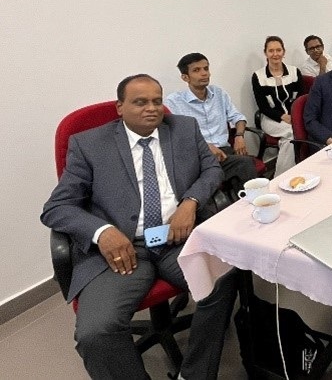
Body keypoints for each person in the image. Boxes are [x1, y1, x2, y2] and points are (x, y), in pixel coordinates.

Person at [41, 75, 237, 380]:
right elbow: (57, 208)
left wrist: (190, 202)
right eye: (140, 102)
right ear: (120, 107)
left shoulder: (184, 129)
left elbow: (211, 168)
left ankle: (195, 374)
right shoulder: (89, 144)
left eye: (157, 101)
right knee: (96, 331)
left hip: (177, 238)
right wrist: (102, 232)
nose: (152, 109)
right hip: (122, 252)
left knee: (226, 278)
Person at [165, 53, 257, 194]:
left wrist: (239, 136)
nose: (204, 74)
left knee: (243, 164)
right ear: (185, 77)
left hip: (224, 153)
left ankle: (247, 202)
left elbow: (238, 117)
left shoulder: (219, 93)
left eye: (206, 69)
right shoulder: (174, 102)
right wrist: (205, 146)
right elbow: (176, 136)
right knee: (242, 165)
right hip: (197, 157)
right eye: (197, 70)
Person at [251, 36, 304, 177]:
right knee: (290, 134)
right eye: (271, 50)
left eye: (278, 50)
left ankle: (298, 170)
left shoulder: (294, 71)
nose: (275, 54)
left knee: (291, 138)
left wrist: (294, 115)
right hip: (270, 118)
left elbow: (301, 98)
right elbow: (262, 105)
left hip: (294, 116)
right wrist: (282, 116)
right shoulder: (258, 76)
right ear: (266, 53)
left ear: (284, 52)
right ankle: (282, 177)